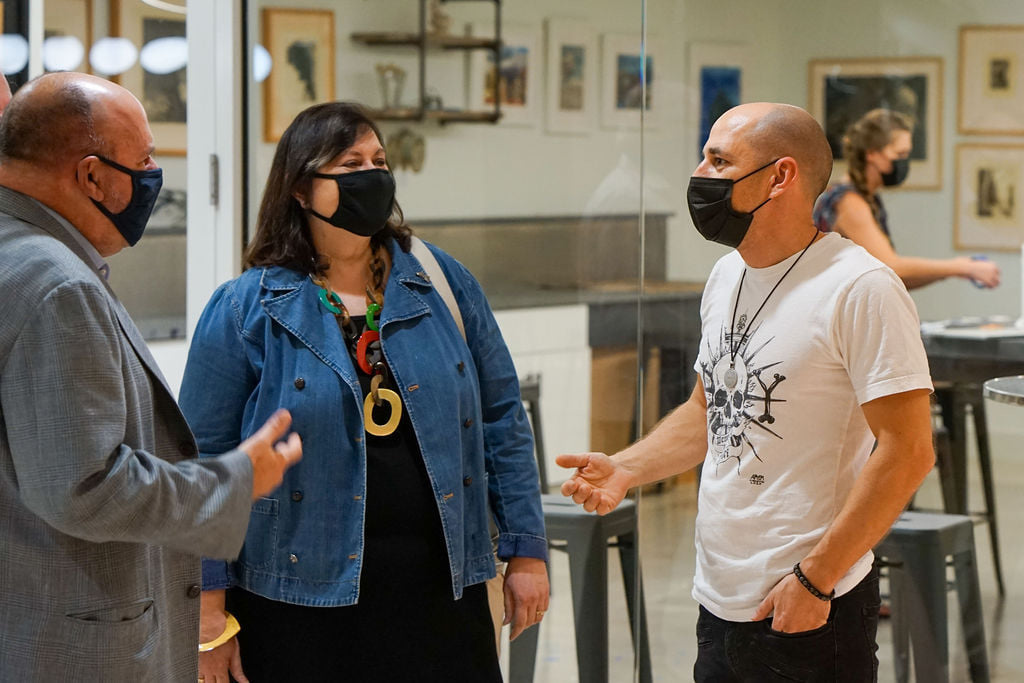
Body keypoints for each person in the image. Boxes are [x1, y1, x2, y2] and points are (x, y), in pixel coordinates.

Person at [558, 103, 936, 682]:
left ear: (780, 177)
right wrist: (627, 468)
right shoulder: (727, 275)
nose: (700, 175)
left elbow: (908, 451)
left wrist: (815, 580)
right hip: (720, 599)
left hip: (810, 607)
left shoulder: (861, 287)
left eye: (719, 161)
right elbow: (708, 409)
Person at [178, 101, 549, 683]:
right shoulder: (245, 309)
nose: (372, 175)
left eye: (379, 161)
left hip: (443, 591)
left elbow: (502, 417)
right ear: (300, 188)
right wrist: (208, 616)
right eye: (350, 164)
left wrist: (526, 550)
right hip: (296, 598)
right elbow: (202, 464)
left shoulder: (441, 282)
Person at [0, 73, 302, 680]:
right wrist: (232, 481)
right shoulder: (58, 285)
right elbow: (82, 488)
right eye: (143, 162)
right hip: (76, 647)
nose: (153, 177)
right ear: (92, 177)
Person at [814, 108, 1000, 289]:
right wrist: (961, 267)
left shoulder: (867, 199)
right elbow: (891, 267)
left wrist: (953, 271)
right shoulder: (848, 202)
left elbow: (894, 279)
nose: (904, 162)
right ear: (872, 154)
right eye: (900, 154)